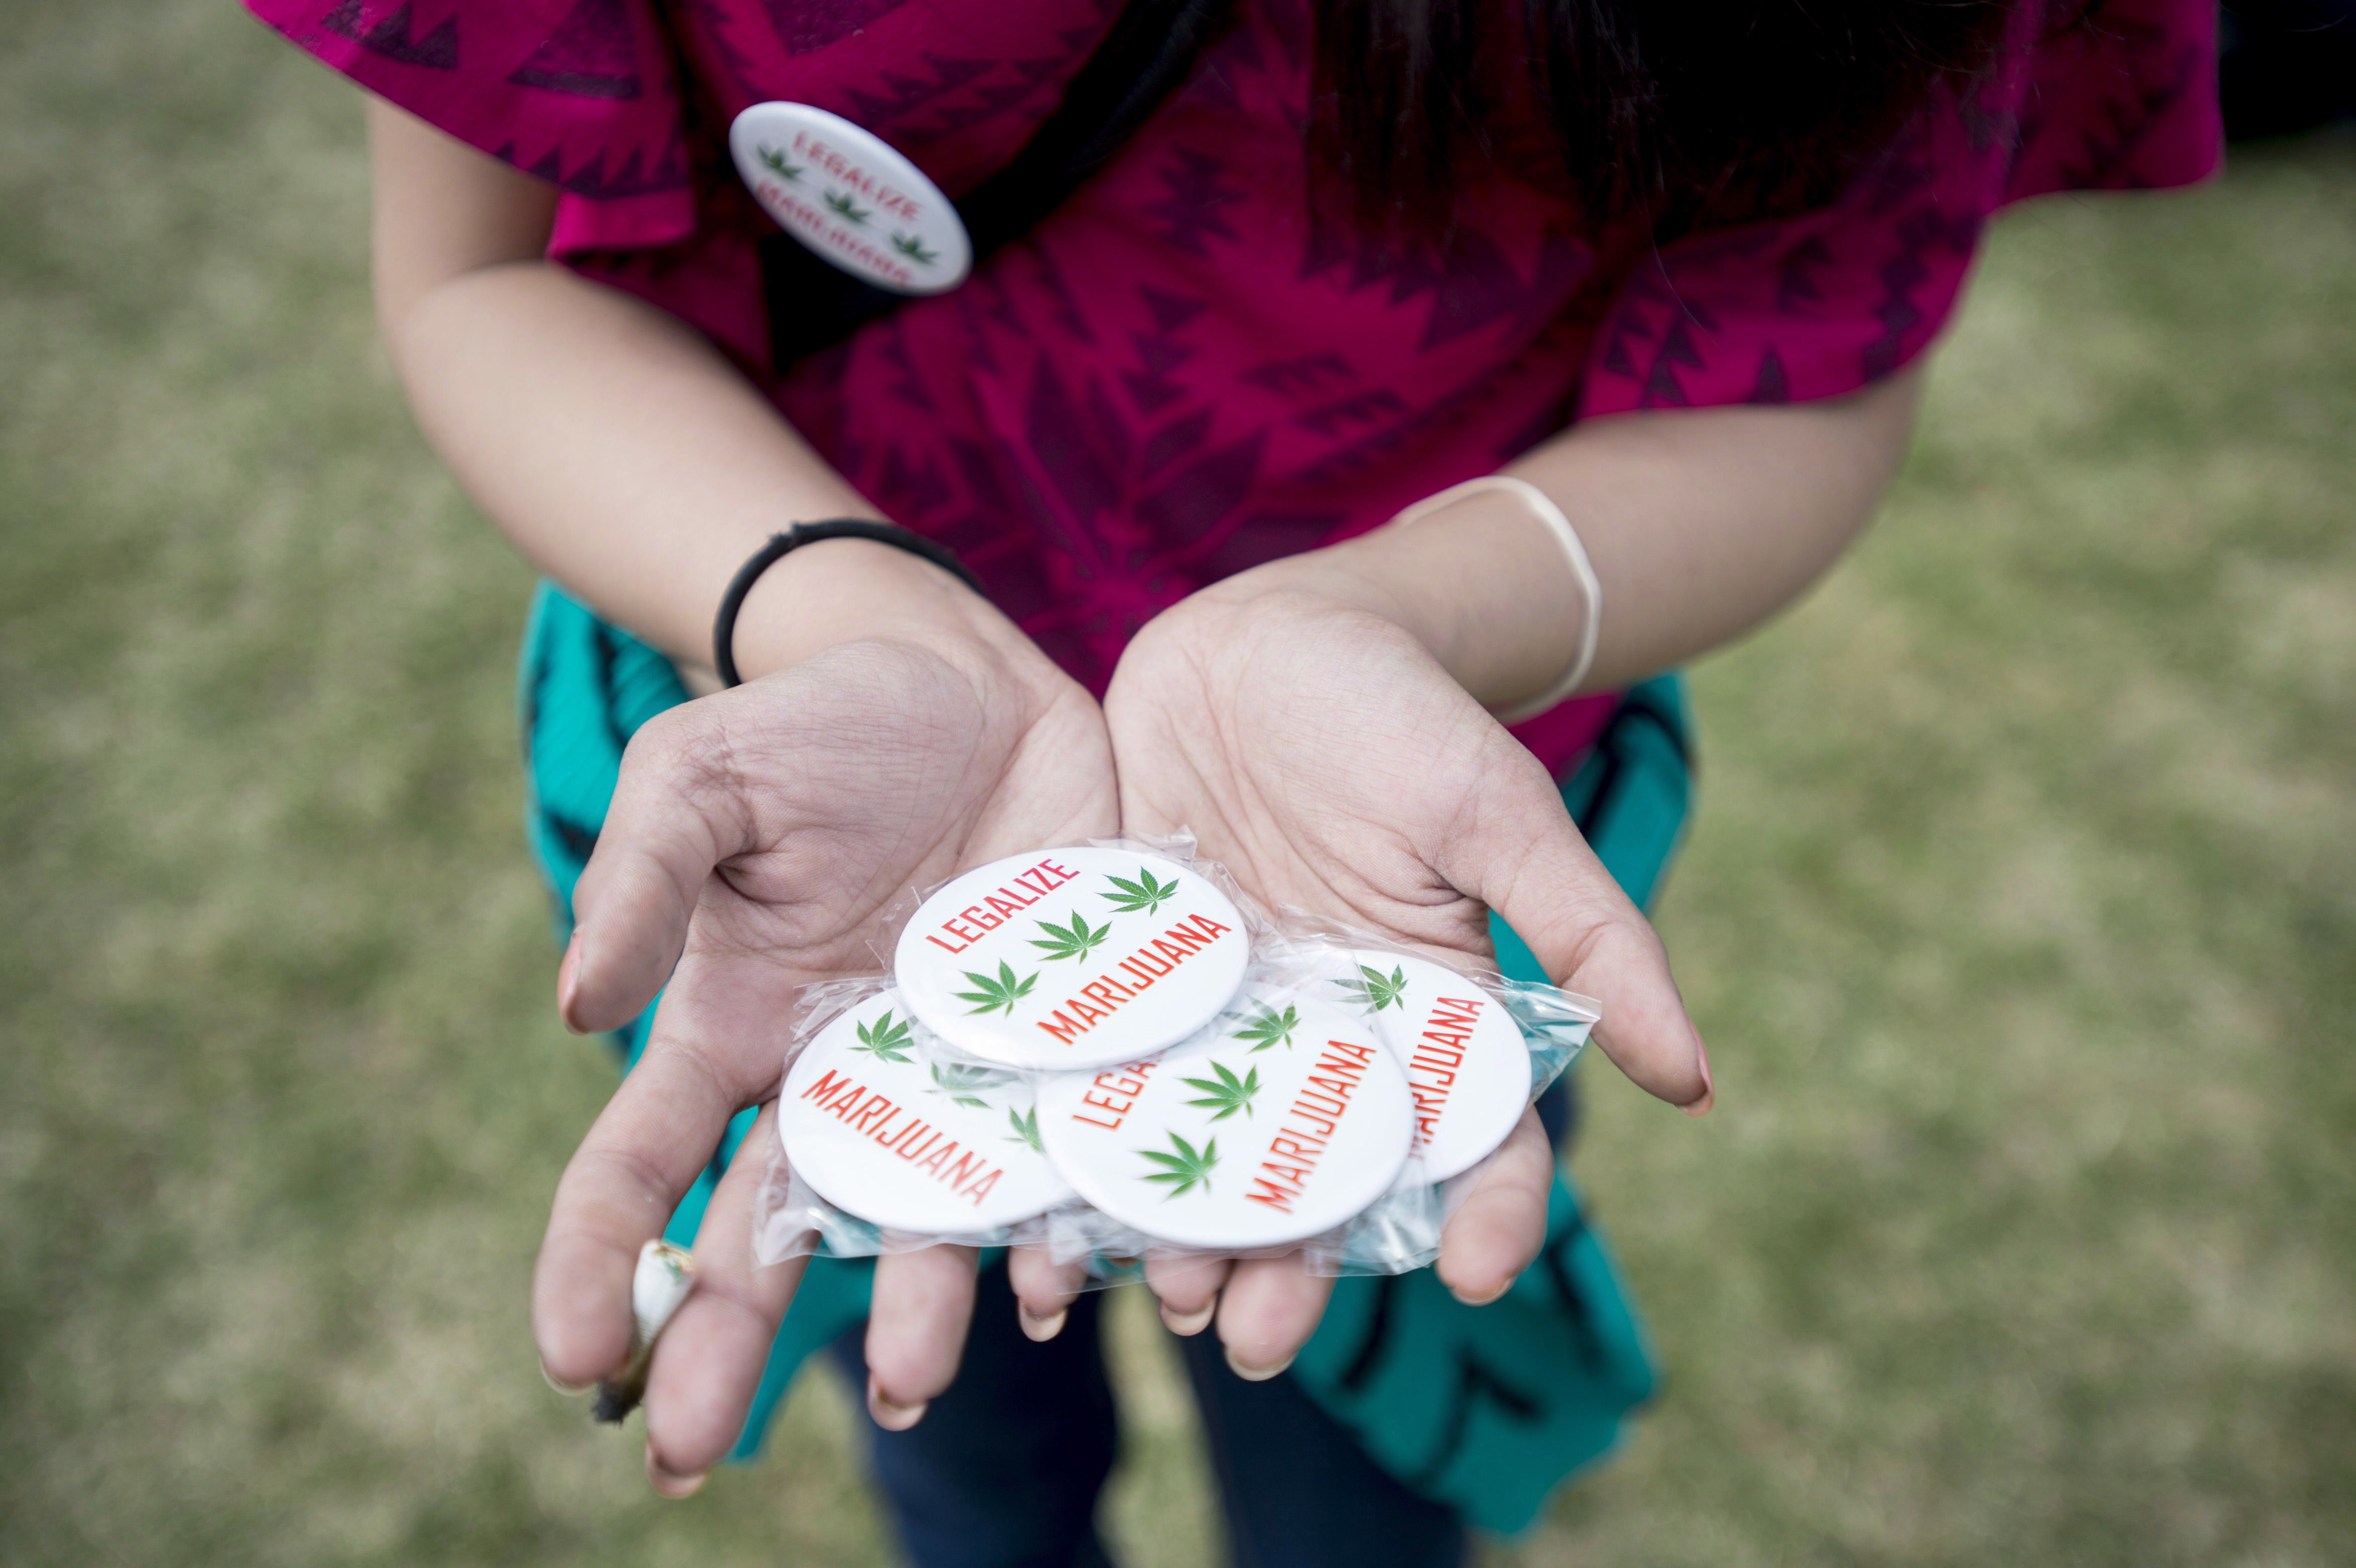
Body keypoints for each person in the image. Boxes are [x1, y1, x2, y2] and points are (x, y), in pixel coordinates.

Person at [245, 0, 2219, 1560]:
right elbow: (483, 271)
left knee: (1353, 1475)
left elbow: (1805, 361)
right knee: (956, 1433)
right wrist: (842, 615)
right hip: (815, 844)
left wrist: (1396, 614)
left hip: (1385, 869)